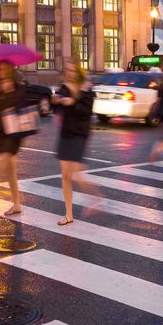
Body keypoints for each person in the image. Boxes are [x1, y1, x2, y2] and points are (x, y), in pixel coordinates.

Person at [52, 59, 95, 225]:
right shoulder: (64, 87)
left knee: (75, 173)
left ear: (78, 72)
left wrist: (73, 102)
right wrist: (55, 102)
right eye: (67, 71)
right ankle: (69, 214)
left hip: (79, 133)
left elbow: (87, 111)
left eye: (73, 70)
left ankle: (95, 197)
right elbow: (57, 110)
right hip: (66, 133)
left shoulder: (86, 87)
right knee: (66, 175)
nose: (70, 74)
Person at [0, 60, 27, 216]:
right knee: (11, 170)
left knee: (4, 161)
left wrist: (10, 93)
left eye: (4, 68)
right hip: (3, 131)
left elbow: (20, 105)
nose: (1, 70)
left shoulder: (18, 86)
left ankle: (15, 202)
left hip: (14, 131)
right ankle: (16, 203)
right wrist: (2, 94)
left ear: (10, 69)